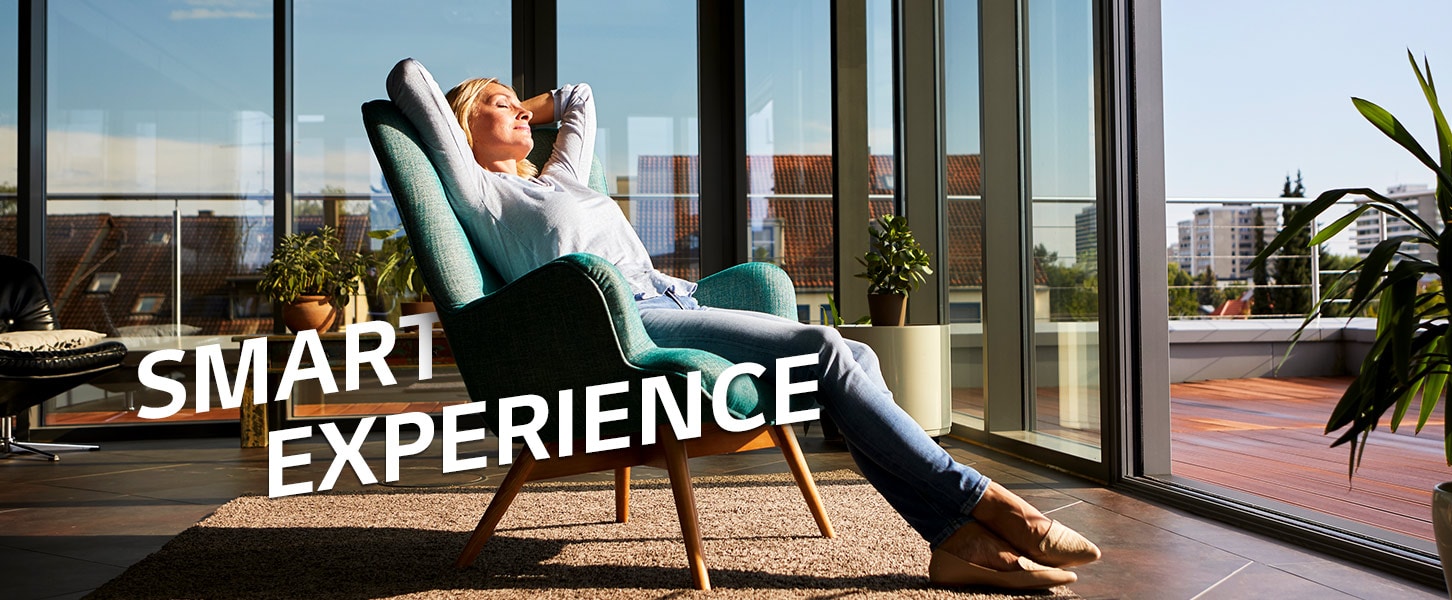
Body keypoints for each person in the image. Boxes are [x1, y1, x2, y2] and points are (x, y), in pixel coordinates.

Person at [387, 58, 1100, 590]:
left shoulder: (561, 178)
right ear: (463, 125)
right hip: (619, 329)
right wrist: (469, 110)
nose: (519, 112)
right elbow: (408, 80)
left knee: (855, 359)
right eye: (499, 105)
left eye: (521, 105)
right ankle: (990, 505)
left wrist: (529, 107)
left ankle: (957, 543)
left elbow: (580, 96)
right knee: (828, 349)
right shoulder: (480, 194)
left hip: (676, 303)